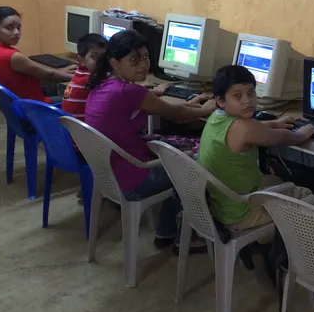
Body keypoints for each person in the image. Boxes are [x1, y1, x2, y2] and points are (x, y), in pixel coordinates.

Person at [85, 30, 216, 251]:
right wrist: (204, 109)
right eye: (134, 60)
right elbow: (176, 114)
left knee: (174, 145)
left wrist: (191, 103)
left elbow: (169, 108)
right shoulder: (129, 92)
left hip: (108, 174)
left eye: (145, 57)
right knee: (198, 163)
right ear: (115, 63)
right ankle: (180, 235)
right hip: (134, 178)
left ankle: (166, 230)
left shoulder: (103, 84)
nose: (143, 65)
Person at [198, 64, 314, 235]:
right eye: (238, 95)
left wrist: (273, 123)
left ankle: (272, 240)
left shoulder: (217, 117)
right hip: (241, 214)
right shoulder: (245, 128)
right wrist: (302, 134)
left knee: (276, 180)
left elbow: (250, 128)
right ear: (221, 101)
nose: (247, 100)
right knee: (309, 198)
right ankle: (298, 248)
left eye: (250, 92)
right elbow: (283, 138)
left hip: (221, 204)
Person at [0, 6, 75, 102]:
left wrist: (59, 71)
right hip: (34, 106)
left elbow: (44, 72)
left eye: (18, 27)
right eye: (9, 28)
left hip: (16, 105)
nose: (16, 32)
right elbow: (50, 75)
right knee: (78, 100)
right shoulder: (13, 57)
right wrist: (80, 77)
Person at [61, 33, 108, 120]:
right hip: (81, 126)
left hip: (70, 125)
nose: (100, 62)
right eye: (94, 57)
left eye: (103, 58)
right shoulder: (90, 78)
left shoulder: (80, 72)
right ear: (81, 60)